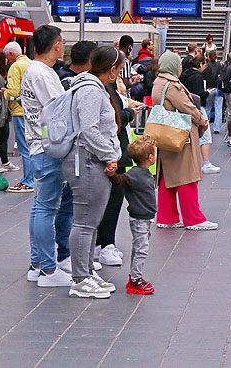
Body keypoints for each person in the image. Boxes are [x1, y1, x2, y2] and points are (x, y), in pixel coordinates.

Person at [63, 46, 122, 299]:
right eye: (119, 69)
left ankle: (86, 271)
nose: (120, 73)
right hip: (86, 161)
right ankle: (79, 278)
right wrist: (109, 155)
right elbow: (89, 129)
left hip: (91, 160)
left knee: (91, 220)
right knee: (85, 221)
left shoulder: (93, 87)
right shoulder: (90, 90)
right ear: (111, 70)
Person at [22, 25, 75, 288]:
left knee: (40, 207)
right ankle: (48, 270)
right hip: (48, 148)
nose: (63, 47)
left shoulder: (36, 70)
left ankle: (37, 265)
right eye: (62, 42)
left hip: (38, 146)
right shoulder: (41, 73)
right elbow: (60, 108)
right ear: (55, 45)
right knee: (46, 208)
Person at [151, 52, 217, 230]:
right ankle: (194, 219)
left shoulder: (158, 82)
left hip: (165, 133)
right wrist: (201, 119)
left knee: (167, 176)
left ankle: (167, 216)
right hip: (179, 135)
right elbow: (187, 107)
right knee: (187, 175)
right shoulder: (172, 86)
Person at [95, 56, 138, 268]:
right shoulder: (101, 88)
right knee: (110, 201)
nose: (121, 73)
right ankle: (104, 245)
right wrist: (130, 112)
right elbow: (112, 118)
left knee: (110, 200)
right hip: (111, 152)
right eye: (119, 69)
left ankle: (101, 243)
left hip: (114, 151)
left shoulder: (106, 87)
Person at [108, 135, 157, 295]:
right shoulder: (135, 175)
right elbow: (120, 180)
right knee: (141, 249)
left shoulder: (141, 172)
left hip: (145, 218)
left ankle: (135, 277)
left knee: (139, 247)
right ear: (151, 158)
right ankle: (136, 280)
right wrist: (112, 174)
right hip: (140, 219)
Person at [181, 54, 221, 174]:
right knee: (205, 135)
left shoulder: (184, 75)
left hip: (186, 107)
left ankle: (189, 163)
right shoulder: (198, 77)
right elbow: (198, 94)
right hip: (198, 107)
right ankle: (206, 163)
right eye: (204, 64)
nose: (205, 67)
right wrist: (206, 93)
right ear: (200, 64)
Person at [4, 41, 33, 193]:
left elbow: (14, 92)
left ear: (11, 54)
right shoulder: (30, 63)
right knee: (32, 146)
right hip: (31, 112)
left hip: (19, 112)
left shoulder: (15, 67)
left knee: (23, 147)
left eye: (7, 58)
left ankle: (28, 181)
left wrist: (5, 92)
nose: (7, 61)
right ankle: (31, 178)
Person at [203, 49, 223, 134]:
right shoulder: (220, 65)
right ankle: (217, 128)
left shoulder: (206, 66)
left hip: (209, 88)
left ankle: (206, 126)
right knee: (219, 108)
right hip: (218, 88)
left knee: (207, 108)